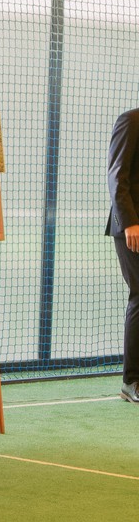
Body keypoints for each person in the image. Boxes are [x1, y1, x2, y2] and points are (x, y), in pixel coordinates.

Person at [106, 107, 139, 404]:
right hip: (132, 228)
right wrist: (129, 222)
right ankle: (131, 381)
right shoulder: (131, 120)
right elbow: (117, 174)